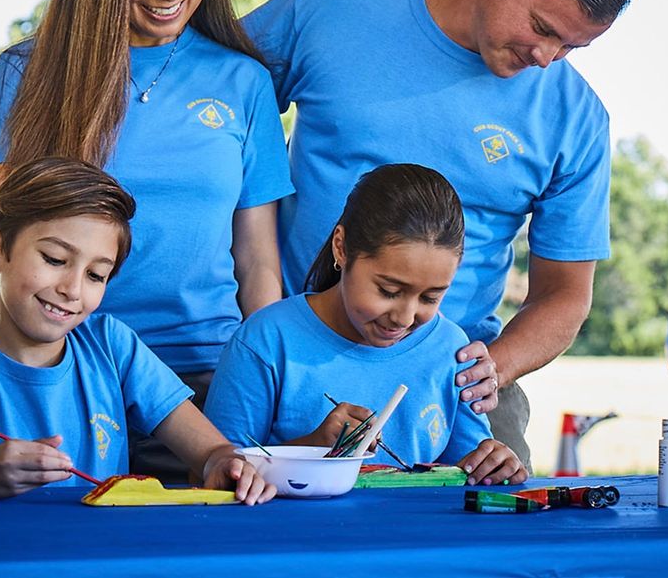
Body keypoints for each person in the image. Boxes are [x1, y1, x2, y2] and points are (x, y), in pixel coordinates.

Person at [243, 0, 636, 467]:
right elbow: (216, 111)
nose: (547, 58)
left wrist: (488, 369)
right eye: (543, 28)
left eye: (573, 47)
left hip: (457, 382)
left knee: (496, 534)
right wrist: (256, 309)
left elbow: (565, 295)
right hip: (291, 354)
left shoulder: (577, 118)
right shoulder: (333, 7)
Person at [0, 0, 293, 481]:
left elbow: (258, 261)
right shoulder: (25, 73)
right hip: (69, 369)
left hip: (209, 383)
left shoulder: (243, 80)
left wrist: (271, 376)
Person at [0, 158, 275, 504]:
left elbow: (210, 452)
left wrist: (226, 464)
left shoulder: (112, 346)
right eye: (55, 259)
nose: (72, 289)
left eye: (96, 275)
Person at [204, 164, 528, 486]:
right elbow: (217, 473)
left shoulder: (453, 351)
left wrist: (494, 465)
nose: (404, 317)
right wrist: (314, 446)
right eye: (388, 291)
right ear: (342, 248)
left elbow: (469, 471)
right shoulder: (265, 341)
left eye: (430, 297)